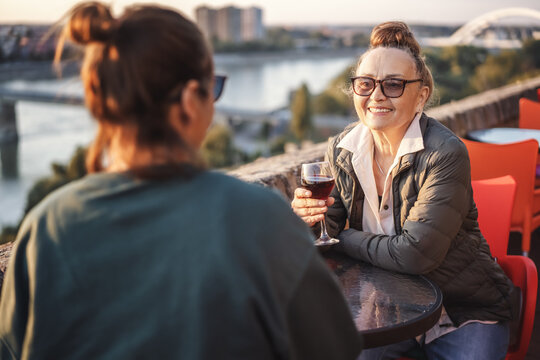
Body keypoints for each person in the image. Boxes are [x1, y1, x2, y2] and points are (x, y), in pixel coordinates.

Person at [0, 3, 363, 359]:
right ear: (191, 99)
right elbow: (334, 349)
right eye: (214, 86)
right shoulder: (261, 221)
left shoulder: (45, 229)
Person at [292, 21, 515, 360]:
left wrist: (346, 238)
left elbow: (414, 255)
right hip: (386, 309)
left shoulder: (445, 153)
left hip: (461, 311)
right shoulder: (341, 149)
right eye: (365, 84)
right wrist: (310, 221)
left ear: (421, 95)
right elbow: (328, 232)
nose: (376, 95)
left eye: (393, 84)